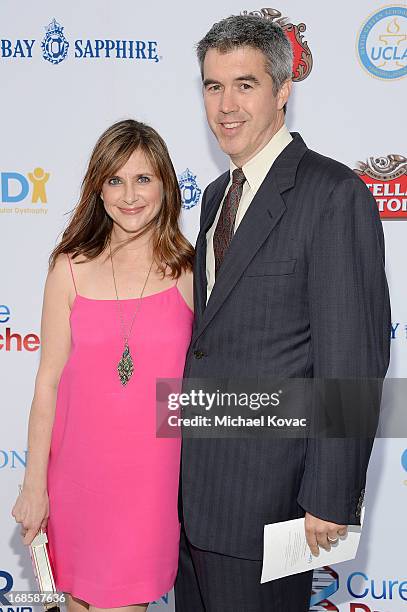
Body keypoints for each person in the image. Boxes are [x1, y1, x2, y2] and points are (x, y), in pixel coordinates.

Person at [175, 14, 391, 611]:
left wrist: (329, 499)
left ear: (283, 88)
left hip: (274, 503)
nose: (226, 106)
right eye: (213, 86)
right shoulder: (218, 196)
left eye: (244, 84)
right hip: (194, 503)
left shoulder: (333, 194)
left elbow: (354, 358)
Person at [11, 119, 194, 612]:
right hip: (75, 479)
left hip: (151, 486)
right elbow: (47, 383)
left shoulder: (191, 271)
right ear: (98, 188)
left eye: (143, 179)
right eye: (115, 180)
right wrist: (33, 487)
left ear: (165, 184)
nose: (129, 195)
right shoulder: (68, 267)